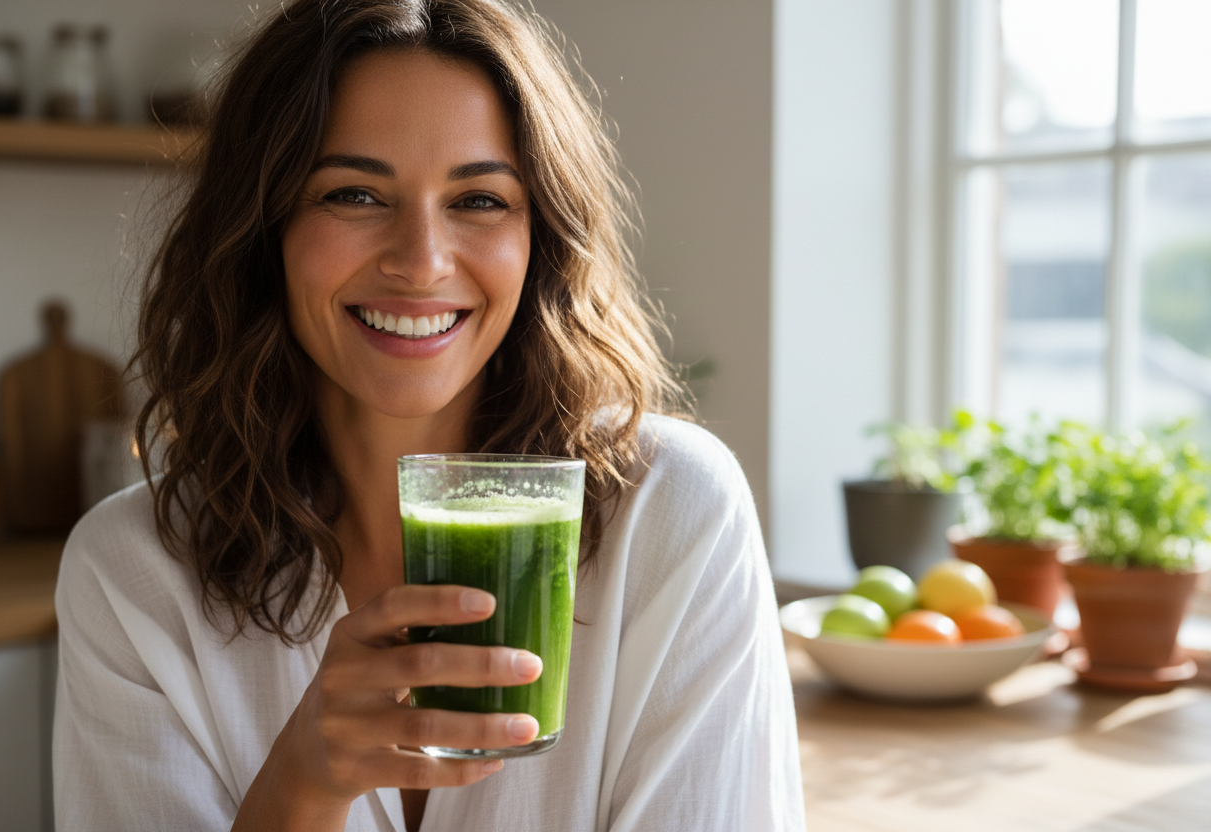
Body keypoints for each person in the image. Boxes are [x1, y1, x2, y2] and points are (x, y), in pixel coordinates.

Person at [52, 1, 805, 830]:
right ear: (262, 230)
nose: (421, 261)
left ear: (539, 237)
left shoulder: (670, 515)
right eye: (354, 193)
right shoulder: (130, 577)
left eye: (479, 200)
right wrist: (299, 787)